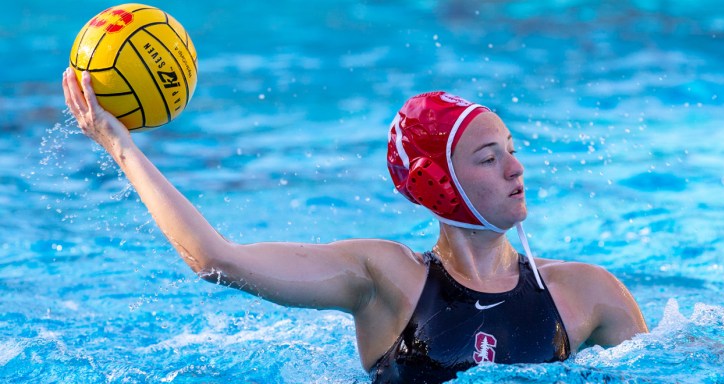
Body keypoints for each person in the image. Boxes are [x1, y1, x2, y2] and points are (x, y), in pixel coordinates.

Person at [62, 68, 648, 383]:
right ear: (439, 181)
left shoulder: (587, 293)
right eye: (489, 158)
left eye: (513, 150)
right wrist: (119, 147)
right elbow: (215, 259)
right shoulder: (386, 277)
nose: (517, 168)